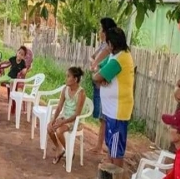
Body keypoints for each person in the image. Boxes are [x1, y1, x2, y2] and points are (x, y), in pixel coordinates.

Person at [92, 27, 134, 167]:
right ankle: (110, 172)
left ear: (111, 44)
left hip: (118, 112)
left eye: (106, 42)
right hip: (111, 110)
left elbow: (97, 76)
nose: (105, 45)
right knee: (111, 145)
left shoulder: (120, 59)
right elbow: (97, 68)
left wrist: (100, 78)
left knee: (116, 151)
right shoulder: (114, 55)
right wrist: (100, 77)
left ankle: (115, 173)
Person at [47, 67, 87, 165]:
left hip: (75, 120)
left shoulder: (81, 93)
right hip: (65, 117)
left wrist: (62, 122)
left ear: (75, 79)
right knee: (50, 128)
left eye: (68, 76)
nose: (66, 78)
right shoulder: (65, 89)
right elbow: (60, 107)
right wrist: (53, 119)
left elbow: (77, 114)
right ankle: (59, 148)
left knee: (59, 131)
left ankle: (69, 152)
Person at [89, 18, 117, 153]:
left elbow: (95, 64)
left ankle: (101, 146)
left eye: (101, 29)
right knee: (102, 117)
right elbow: (93, 59)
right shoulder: (103, 46)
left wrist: (95, 67)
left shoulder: (107, 49)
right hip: (99, 83)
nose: (99, 32)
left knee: (104, 117)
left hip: (103, 85)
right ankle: (101, 145)